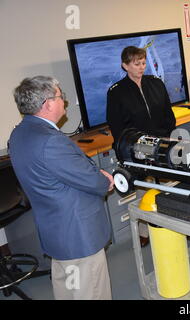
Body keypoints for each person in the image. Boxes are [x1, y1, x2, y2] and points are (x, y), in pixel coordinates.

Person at [8, 76, 114, 299]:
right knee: (89, 290)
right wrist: (105, 180)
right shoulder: (50, 141)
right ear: (47, 103)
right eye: (60, 96)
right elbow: (92, 180)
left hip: (56, 231)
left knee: (68, 287)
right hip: (78, 233)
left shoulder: (19, 134)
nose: (64, 101)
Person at [107, 46, 176, 247]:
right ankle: (145, 230)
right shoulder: (116, 92)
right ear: (125, 65)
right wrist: (130, 147)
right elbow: (116, 125)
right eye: (136, 64)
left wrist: (164, 139)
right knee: (144, 189)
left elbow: (168, 115)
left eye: (144, 63)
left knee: (167, 187)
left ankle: (171, 224)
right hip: (137, 146)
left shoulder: (155, 83)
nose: (141, 67)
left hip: (161, 142)